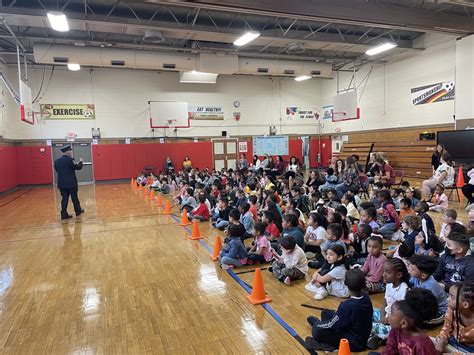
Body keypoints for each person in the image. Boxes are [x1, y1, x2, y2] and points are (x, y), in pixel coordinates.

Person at [304, 269, 373, 353]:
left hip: (352, 342)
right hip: (361, 335)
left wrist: (318, 326)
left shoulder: (347, 305)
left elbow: (334, 325)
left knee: (316, 331)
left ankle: (318, 327)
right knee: (325, 312)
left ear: (345, 284)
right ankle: (318, 325)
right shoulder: (366, 297)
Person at [374, 289, 439, 354]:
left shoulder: (422, 345)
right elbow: (389, 350)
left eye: (392, 314)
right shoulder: (396, 330)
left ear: (404, 323)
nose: (388, 317)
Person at [367, 257, 410, 349]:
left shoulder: (404, 290)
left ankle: (380, 337)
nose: (384, 275)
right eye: (383, 271)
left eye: (388, 272)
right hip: (386, 316)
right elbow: (385, 302)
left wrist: (387, 320)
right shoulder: (389, 284)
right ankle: (377, 337)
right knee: (366, 311)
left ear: (398, 275)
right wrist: (382, 317)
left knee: (368, 325)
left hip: (395, 325)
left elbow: (403, 316)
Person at [434, 282, 474, 354]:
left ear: (465, 304)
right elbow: (446, 329)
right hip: (454, 341)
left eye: (451, 297)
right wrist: (442, 338)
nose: (447, 299)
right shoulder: (452, 309)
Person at [408, 255, 447, 324]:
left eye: (412, 269)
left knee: (418, 321)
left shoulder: (430, 286)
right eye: (410, 267)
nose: (409, 269)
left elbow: (429, 306)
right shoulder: (416, 277)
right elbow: (409, 284)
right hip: (424, 303)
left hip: (438, 310)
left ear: (423, 275)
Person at [54, 145, 84, 220]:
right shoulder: (70, 160)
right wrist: (81, 162)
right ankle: (78, 211)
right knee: (74, 197)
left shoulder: (56, 161)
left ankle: (63, 214)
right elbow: (78, 167)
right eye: (70, 151)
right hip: (71, 183)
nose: (71, 152)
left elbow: (58, 171)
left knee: (64, 198)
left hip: (62, 183)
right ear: (67, 152)